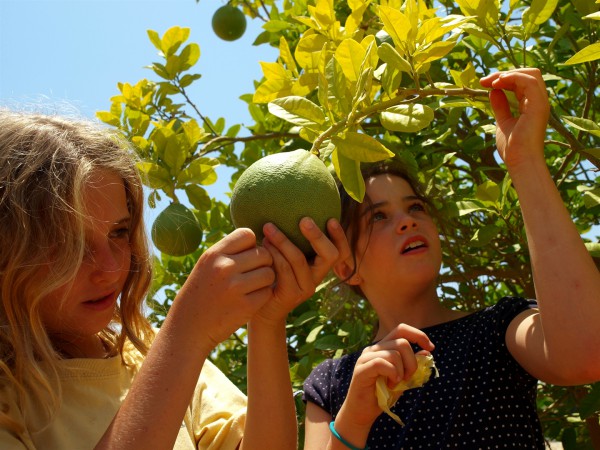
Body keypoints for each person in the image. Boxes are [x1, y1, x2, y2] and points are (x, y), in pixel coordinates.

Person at [0, 110, 349, 449]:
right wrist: (183, 335)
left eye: (119, 232)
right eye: (69, 243)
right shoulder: (12, 401)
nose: (107, 267)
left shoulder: (147, 354)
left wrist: (267, 318)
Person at [302, 68, 600, 449]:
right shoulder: (332, 383)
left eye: (415, 207)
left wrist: (524, 161)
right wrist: (354, 420)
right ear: (345, 268)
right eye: (378, 216)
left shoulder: (499, 328)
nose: (408, 221)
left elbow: (588, 351)